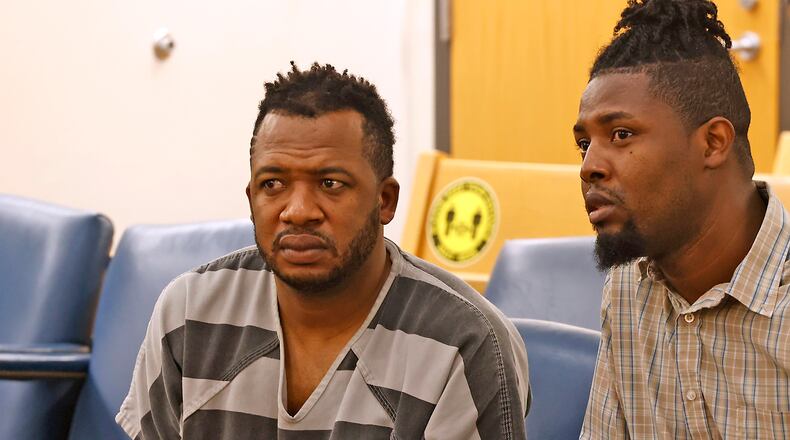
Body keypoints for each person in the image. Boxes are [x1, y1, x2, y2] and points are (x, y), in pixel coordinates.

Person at [116, 62, 530, 439]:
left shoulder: (463, 342)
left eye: (330, 183)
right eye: (273, 184)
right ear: (250, 198)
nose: (297, 212)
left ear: (384, 201)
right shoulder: (188, 312)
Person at [573, 0, 790, 438]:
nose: (589, 166)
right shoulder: (627, 289)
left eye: (621, 134)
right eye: (584, 144)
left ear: (713, 142)